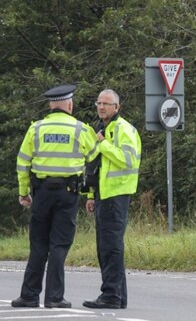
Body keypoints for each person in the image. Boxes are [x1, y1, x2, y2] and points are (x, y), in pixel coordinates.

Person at [12, 84, 99, 309]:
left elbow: (22, 163)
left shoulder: (36, 129)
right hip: (67, 193)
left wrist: (24, 193)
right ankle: (54, 297)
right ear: (69, 105)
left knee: (38, 244)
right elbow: (94, 158)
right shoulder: (80, 129)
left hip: (41, 193)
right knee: (59, 245)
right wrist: (90, 192)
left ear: (51, 106)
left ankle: (29, 295)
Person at [83, 89, 142, 310]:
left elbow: (127, 161)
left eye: (106, 104)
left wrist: (104, 144)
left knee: (111, 248)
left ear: (117, 107)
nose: (101, 107)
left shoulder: (124, 129)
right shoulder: (99, 128)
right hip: (102, 195)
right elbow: (93, 165)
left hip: (117, 195)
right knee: (106, 247)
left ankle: (110, 296)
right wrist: (90, 194)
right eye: (99, 103)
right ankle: (117, 296)